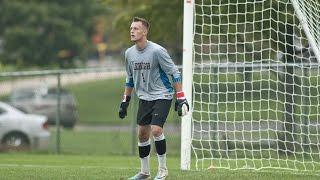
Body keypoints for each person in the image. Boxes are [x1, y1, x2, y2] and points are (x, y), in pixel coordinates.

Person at [118, 17, 189, 180]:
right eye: (131, 28)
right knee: (142, 134)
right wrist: (125, 101)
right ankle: (144, 172)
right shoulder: (129, 53)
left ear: (145, 31)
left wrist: (181, 98)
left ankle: (163, 170)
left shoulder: (157, 51)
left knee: (156, 130)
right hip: (144, 98)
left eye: (136, 28)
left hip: (162, 94)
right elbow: (129, 79)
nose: (132, 31)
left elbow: (175, 72)